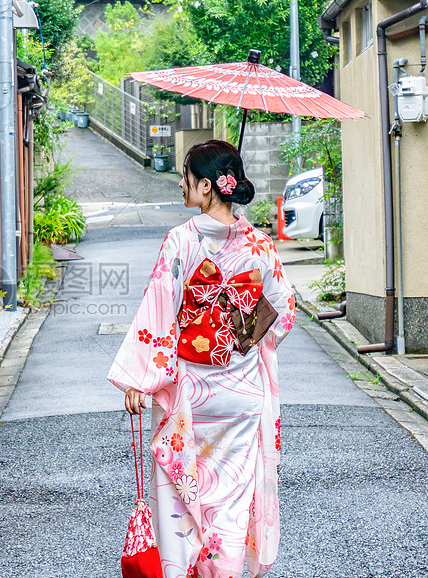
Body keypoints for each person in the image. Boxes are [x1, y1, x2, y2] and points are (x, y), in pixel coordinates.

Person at [108, 140, 295, 578]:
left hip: (190, 398)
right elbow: (284, 313)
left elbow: (158, 306)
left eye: (187, 176)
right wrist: (241, 336)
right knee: (230, 503)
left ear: (207, 186)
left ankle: (182, 570)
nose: (181, 183)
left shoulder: (181, 241)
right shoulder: (261, 247)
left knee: (178, 497)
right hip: (242, 397)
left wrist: (142, 379)